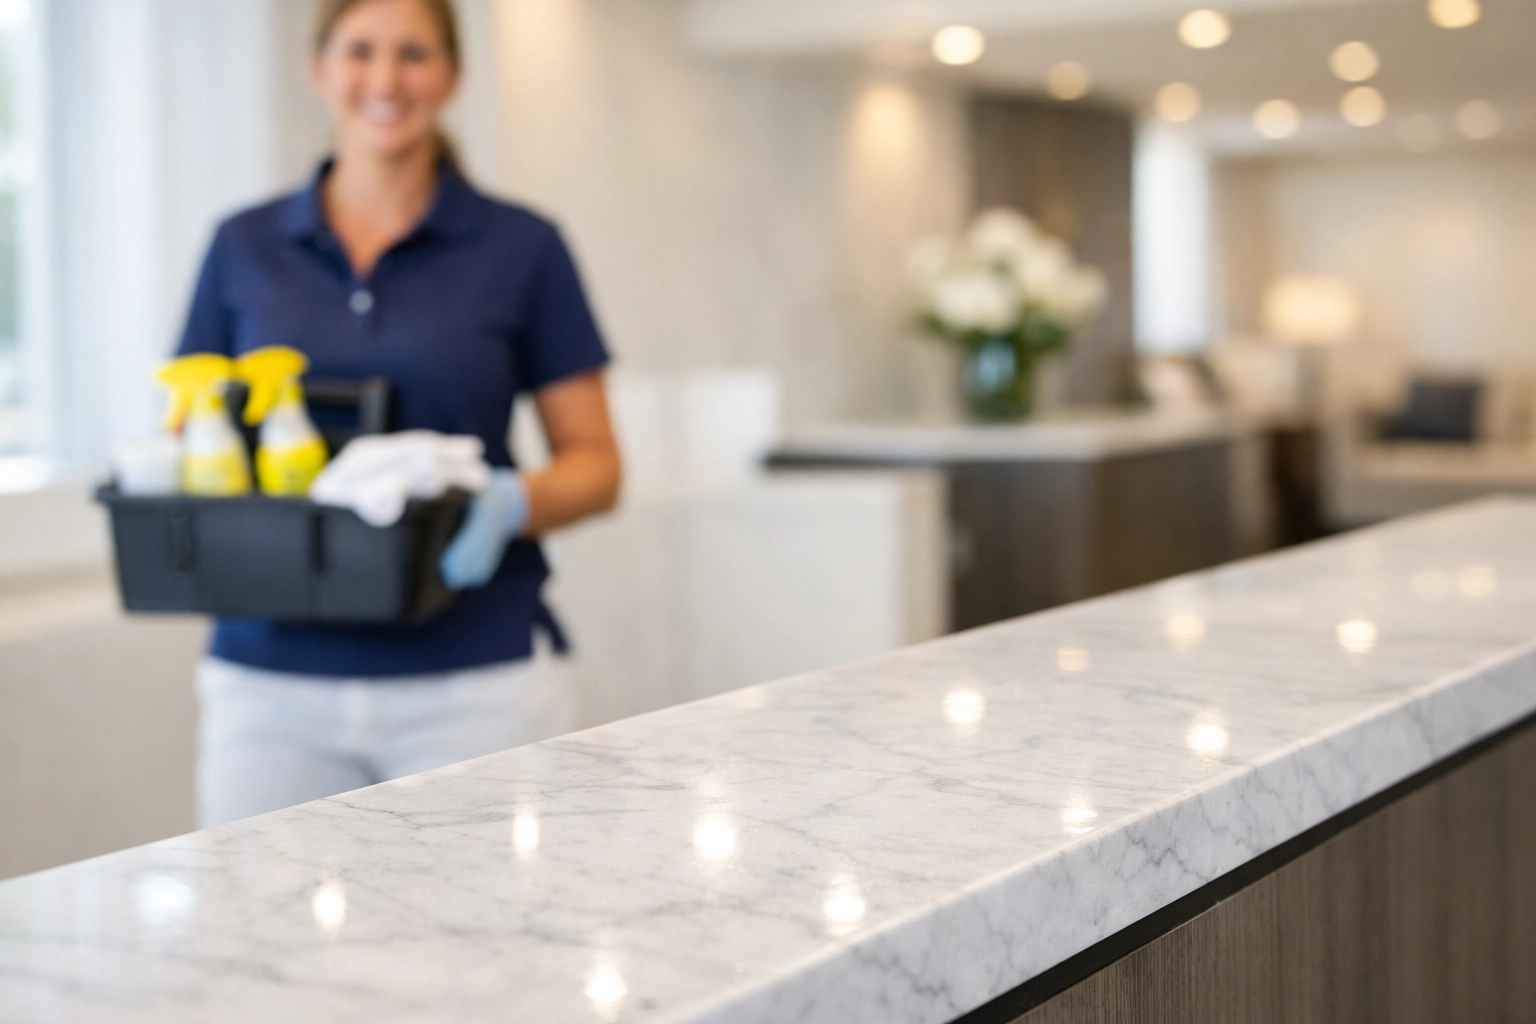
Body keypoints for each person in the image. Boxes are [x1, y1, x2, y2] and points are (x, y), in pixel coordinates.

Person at [177, 0, 621, 827]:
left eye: (414, 54)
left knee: (489, 942)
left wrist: (509, 501)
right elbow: (190, 427)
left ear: (451, 77)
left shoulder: (521, 247)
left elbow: (597, 462)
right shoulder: (243, 246)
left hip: (473, 679)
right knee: (261, 941)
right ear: (319, 70)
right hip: (269, 683)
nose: (385, 79)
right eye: (361, 52)